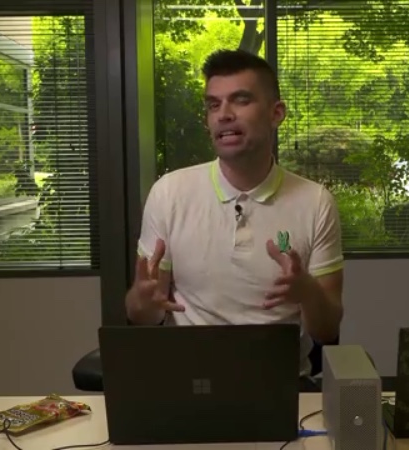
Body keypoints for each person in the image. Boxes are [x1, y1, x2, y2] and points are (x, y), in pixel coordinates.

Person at [125, 49, 344, 377]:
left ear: (276, 113)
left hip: (281, 384)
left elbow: (327, 330)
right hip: (189, 382)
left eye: (241, 100)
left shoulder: (316, 202)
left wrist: (307, 291)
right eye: (214, 105)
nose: (223, 115)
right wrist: (142, 302)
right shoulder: (169, 192)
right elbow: (142, 315)